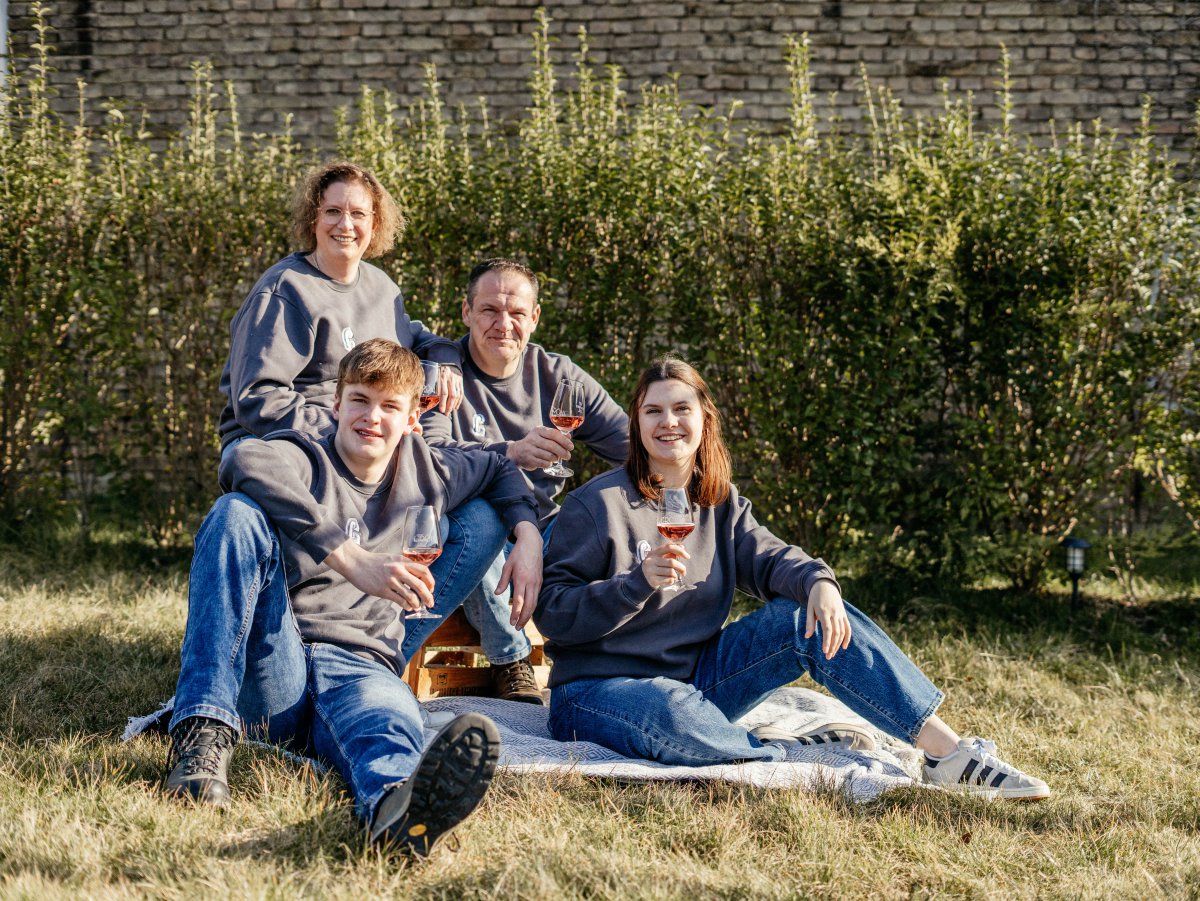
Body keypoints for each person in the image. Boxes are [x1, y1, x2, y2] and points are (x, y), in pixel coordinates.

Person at [534, 356, 1051, 800]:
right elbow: (553, 613)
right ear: (638, 423)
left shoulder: (718, 501)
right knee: (671, 714)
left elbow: (773, 558)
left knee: (805, 615)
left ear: (704, 419)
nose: (668, 422)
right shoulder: (597, 504)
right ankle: (779, 753)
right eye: (653, 411)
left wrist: (819, 583)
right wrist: (634, 584)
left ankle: (947, 753)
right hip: (600, 690)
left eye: (681, 408)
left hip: (697, 679)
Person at [165, 339, 544, 856]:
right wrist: (348, 557)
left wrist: (528, 535)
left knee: (386, 720)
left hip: (360, 662)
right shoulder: (307, 455)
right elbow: (241, 456)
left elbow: (498, 469)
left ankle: (398, 811)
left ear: (413, 418)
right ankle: (202, 738)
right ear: (337, 405)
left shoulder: (430, 470)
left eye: (390, 406)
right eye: (361, 400)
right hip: (276, 663)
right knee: (235, 513)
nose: (372, 417)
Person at [418, 258, 629, 704]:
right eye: (490, 310)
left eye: (516, 313)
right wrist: (510, 452)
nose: (503, 324)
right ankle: (511, 660)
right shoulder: (445, 374)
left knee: (605, 510)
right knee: (477, 520)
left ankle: (613, 666)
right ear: (467, 312)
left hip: (546, 530)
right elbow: (432, 458)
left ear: (534, 317)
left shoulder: (558, 376)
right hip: (482, 535)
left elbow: (631, 445)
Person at [217, 159, 463, 451]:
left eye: (358, 214)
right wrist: (345, 430)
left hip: (360, 438)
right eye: (333, 211)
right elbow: (258, 398)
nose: (345, 225)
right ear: (314, 219)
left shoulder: (382, 288)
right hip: (279, 442)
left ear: (374, 224)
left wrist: (447, 361)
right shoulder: (284, 290)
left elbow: (417, 338)